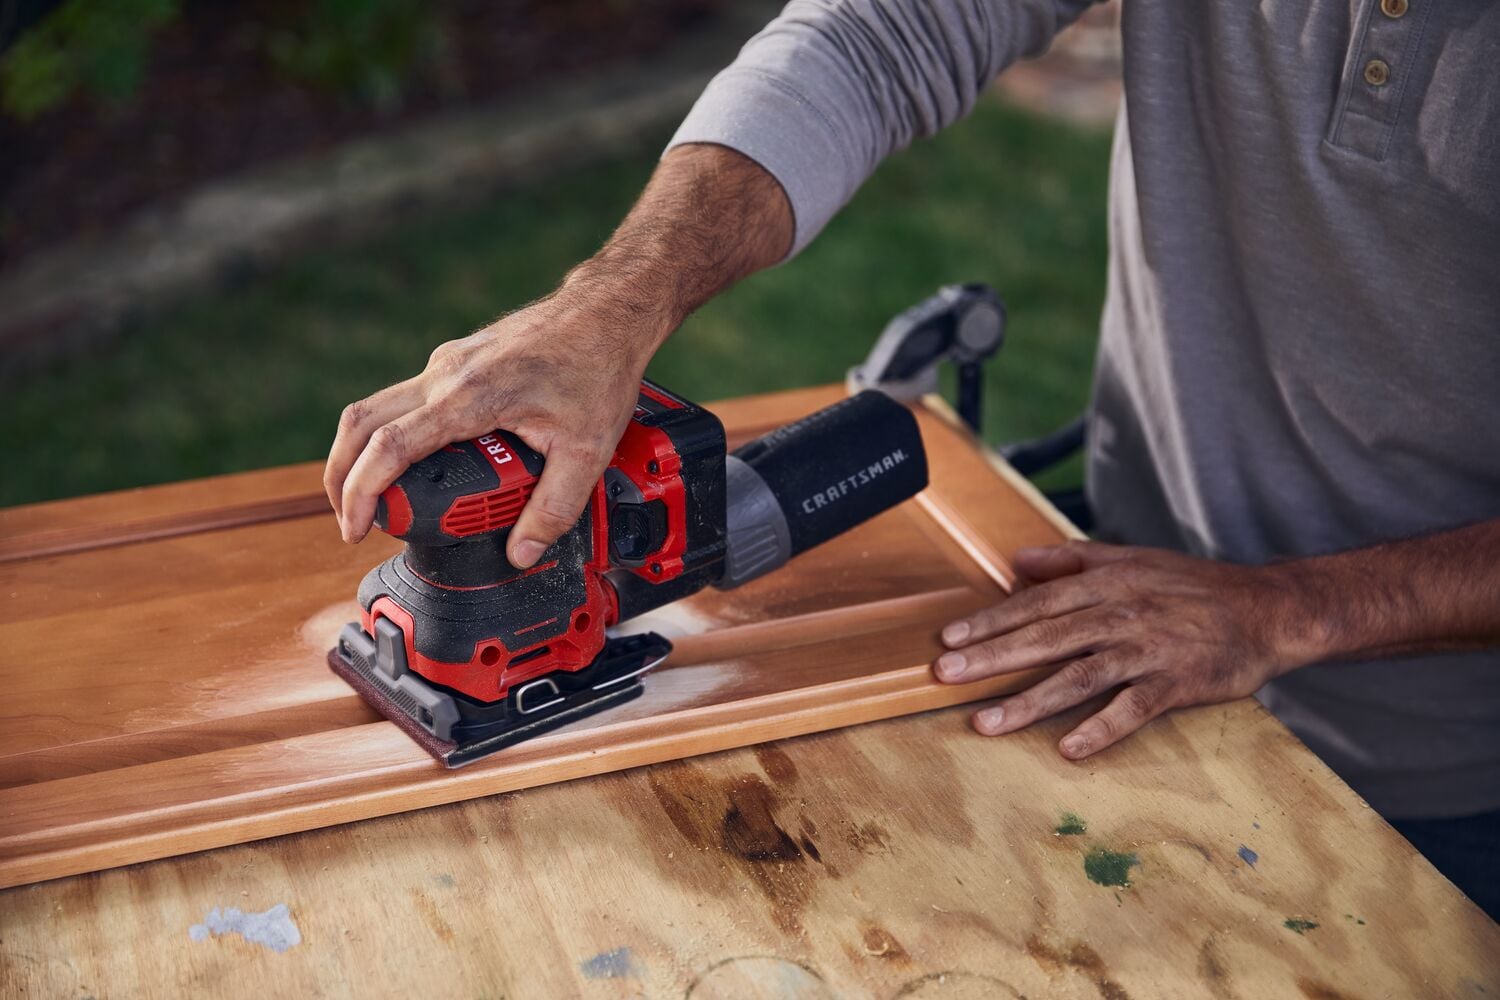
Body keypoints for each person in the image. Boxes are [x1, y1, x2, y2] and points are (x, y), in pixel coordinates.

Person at [323, 2, 1500, 915]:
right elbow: (887, 34)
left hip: (1447, 783)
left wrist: (1290, 609)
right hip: (1102, 621)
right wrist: (617, 303)